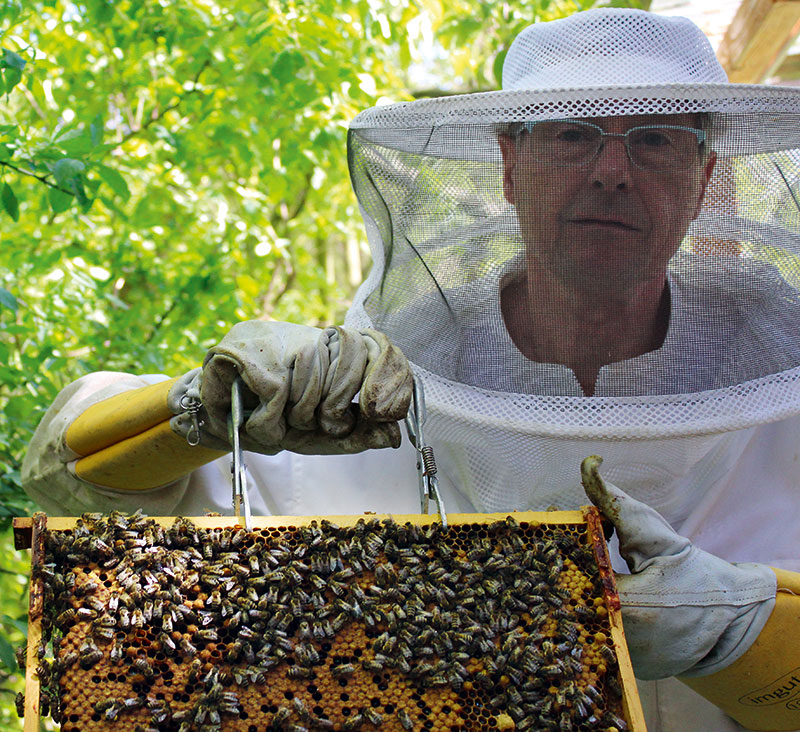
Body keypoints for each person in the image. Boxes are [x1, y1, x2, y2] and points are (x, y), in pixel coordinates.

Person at [22, 8, 800, 732]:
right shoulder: (367, 394)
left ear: (704, 179)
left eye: (655, 139)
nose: (611, 170)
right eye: (570, 134)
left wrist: (750, 633)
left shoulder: (783, 401)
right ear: (509, 164)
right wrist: (195, 410)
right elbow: (73, 478)